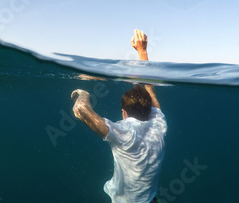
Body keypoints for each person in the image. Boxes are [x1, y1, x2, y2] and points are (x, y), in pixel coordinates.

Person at [71, 29, 167, 203]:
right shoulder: (159, 124)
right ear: (149, 110)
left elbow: (81, 110)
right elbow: (150, 89)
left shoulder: (125, 133)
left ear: (124, 112)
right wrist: (142, 51)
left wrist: (83, 93)